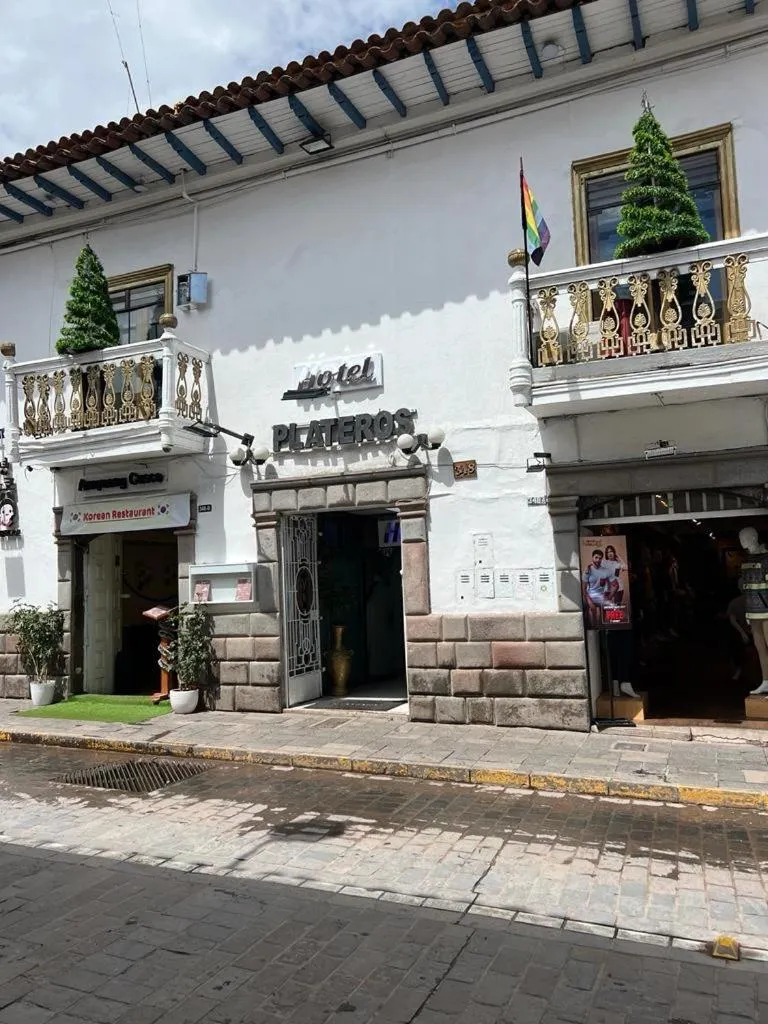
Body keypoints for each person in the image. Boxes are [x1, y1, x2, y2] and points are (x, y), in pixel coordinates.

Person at [582, 549, 613, 628]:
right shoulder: (588, 570)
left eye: (600, 558)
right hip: (589, 596)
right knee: (592, 610)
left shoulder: (605, 571)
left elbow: (612, 585)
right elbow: (584, 588)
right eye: (596, 557)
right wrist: (589, 601)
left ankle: (603, 628)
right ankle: (594, 628)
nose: (598, 560)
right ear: (592, 557)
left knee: (610, 606)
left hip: (601, 596)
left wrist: (608, 596)